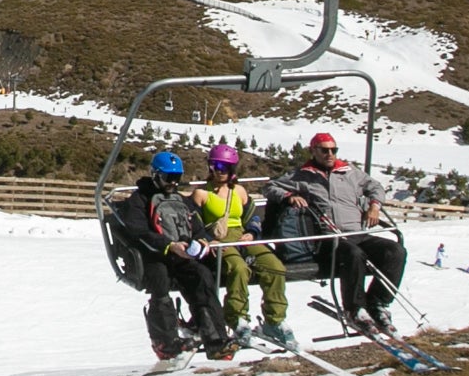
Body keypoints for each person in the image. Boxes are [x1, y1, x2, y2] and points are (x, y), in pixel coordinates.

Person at [269, 131, 406, 330]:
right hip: (328, 238)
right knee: (353, 254)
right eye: (324, 150)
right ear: (313, 151)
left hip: (357, 233)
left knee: (395, 251)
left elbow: (375, 187)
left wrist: (374, 206)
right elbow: (271, 187)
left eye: (334, 150)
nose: (330, 154)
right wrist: (289, 196)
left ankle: (378, 302)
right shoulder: (303, 175)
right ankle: (354, 308)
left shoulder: (349, 172)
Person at [109, 149, 232, 361]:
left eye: (177, 178)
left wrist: (202, 241)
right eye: (168, 178)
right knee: (160, 282)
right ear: (156, 175)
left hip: (181, 255)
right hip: (153, 256)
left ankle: (216, 339)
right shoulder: (140, 199)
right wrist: (168, 245)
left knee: (202, 277)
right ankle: (166, 341)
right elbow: (138, 231)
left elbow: (196, 225)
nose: (173, 183)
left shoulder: (180, 200)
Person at [192, 141, 292, 347]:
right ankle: (237, 318)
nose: (218, 172)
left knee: (274, 266)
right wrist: (210, 241)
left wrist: (252, 233)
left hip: (241, 235)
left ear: (232, 170)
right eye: (214, 167)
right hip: (218, 238)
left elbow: (252, 217)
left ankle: (275, 319)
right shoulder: (202, 194)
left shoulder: (239, 191)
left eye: (223, 168)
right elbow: (195, 224)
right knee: (238, 268)